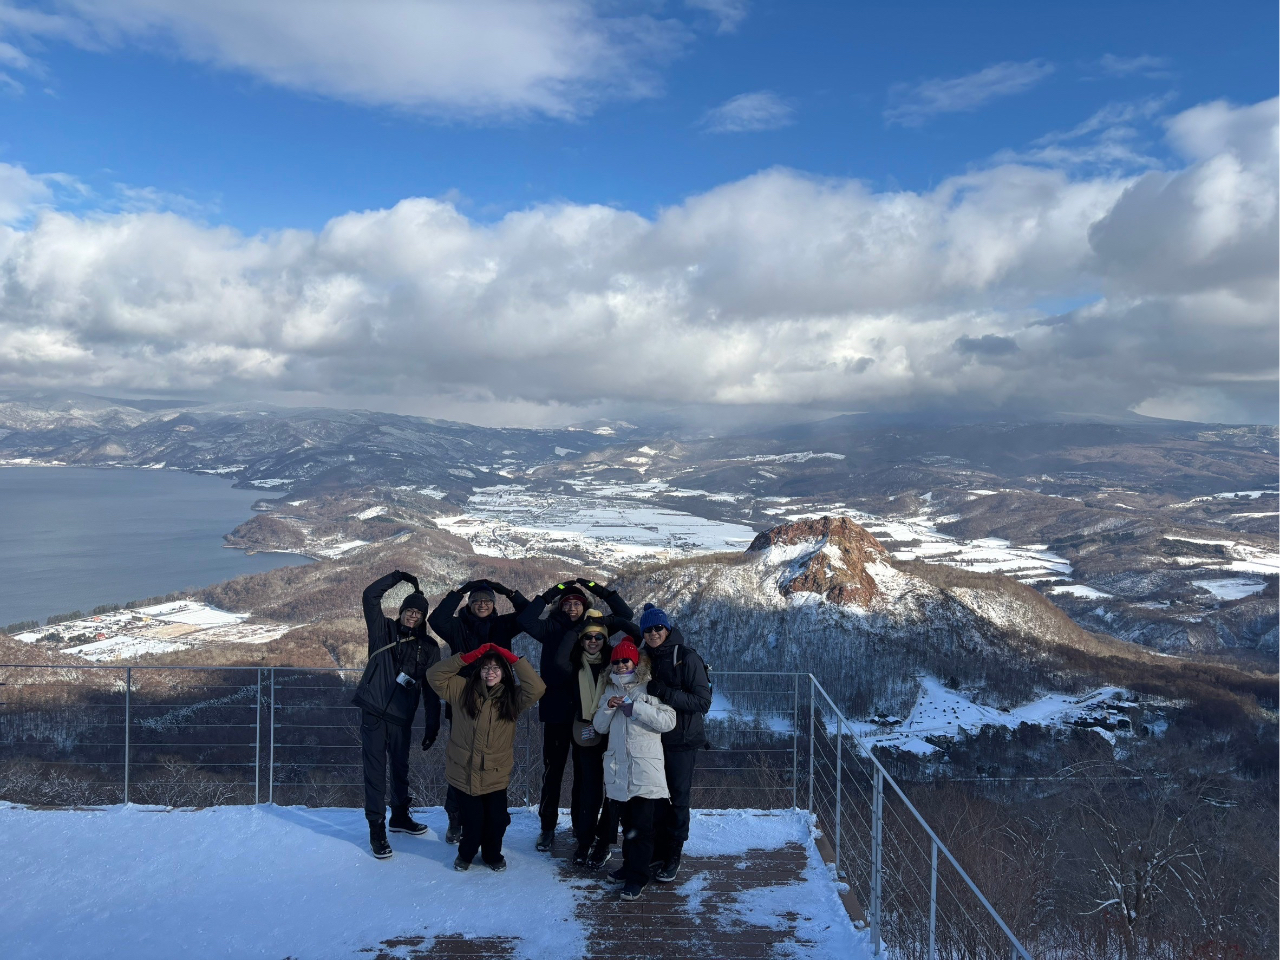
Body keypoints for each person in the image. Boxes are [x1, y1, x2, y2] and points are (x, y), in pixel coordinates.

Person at [516, 577, 633, 852]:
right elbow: (525, 621)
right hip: (557, 711)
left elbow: (625, 615)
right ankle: (547, 827)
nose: (571, 608)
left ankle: (584, 828)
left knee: (586, 775)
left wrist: (599, 590)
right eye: (566, 603)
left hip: (588, 715)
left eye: (577, 604)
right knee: (553, 772)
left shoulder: (597, 626)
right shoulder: (550, 627)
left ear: (586, 607)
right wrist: (550, 592)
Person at [426, 642, 545, 872]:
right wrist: (467, 656)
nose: (490, 672)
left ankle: (492, 854)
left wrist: (514, 659)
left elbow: (537, 688)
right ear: (478, 670)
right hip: (464, 771)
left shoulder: (512, 698)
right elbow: (434, 675)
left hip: (495, 772)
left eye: (496, 668)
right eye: (485, 667)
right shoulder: (461, 690)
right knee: (472, 821)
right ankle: (466, 854)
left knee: (497, 820)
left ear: (504, 673)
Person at [427, 578, 530, 843]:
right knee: (462, 760)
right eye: (476, 601)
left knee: (493, 761)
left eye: (487, 600)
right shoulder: (457, 626)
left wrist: (509, 590)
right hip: (464, 701)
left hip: (499, 702)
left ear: (494, 604)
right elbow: (436, 619)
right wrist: (459, 591)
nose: (482, 605)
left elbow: (529, 615)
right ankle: (456, 819)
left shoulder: (503, 624)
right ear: (469, 605)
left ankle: (486, 819)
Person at [351, 569, 442, 859]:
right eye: (409, 610)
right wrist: (398, 576)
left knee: (400, 769)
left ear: (423, 617)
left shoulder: (428, 648)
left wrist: (432, 725)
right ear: (401, 611)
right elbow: (370, 596)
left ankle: (400, 817)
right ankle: (376, 827)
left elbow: (430, 689)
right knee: (376, 771)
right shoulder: (383, 631)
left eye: (418, 612)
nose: (412, 615)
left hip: (402, 718)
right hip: (374, 713)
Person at [592, 639, 676, 901]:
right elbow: (599, 727)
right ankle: (629, 867)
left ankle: (637, 877)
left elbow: (668, 720)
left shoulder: (648, 688)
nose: (620, 665)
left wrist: (634, 708)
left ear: (635, 662)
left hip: (644, 770)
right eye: (616, 661)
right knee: (627, 824)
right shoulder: (608, 690)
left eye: (625, 660)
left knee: (642, 826)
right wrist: (608, 708)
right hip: (619, 771)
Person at [638, 603, 712, 883]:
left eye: (658, 627)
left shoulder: (687, 657)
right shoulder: (645, 657)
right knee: (656, 798)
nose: (654, 632)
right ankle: (659, 850)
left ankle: (674, 854)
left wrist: (666, 694)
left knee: (678, 798)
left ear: (668, 629)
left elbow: (703, 701)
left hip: (682, 740)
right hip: (653, 738)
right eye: (648, 629)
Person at [567, 611, 620, 867]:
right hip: (586, 732)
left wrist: (605, 621)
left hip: (614, 732)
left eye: (599, 636)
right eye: (588, 636)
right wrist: (580, 625)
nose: (593, 640)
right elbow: (556, 658)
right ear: (580, 639)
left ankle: (603, 842)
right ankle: (584, 840)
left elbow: (628, 623)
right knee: (589, 789)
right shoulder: (573, 662)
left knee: (613, 790)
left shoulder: (616, 663)